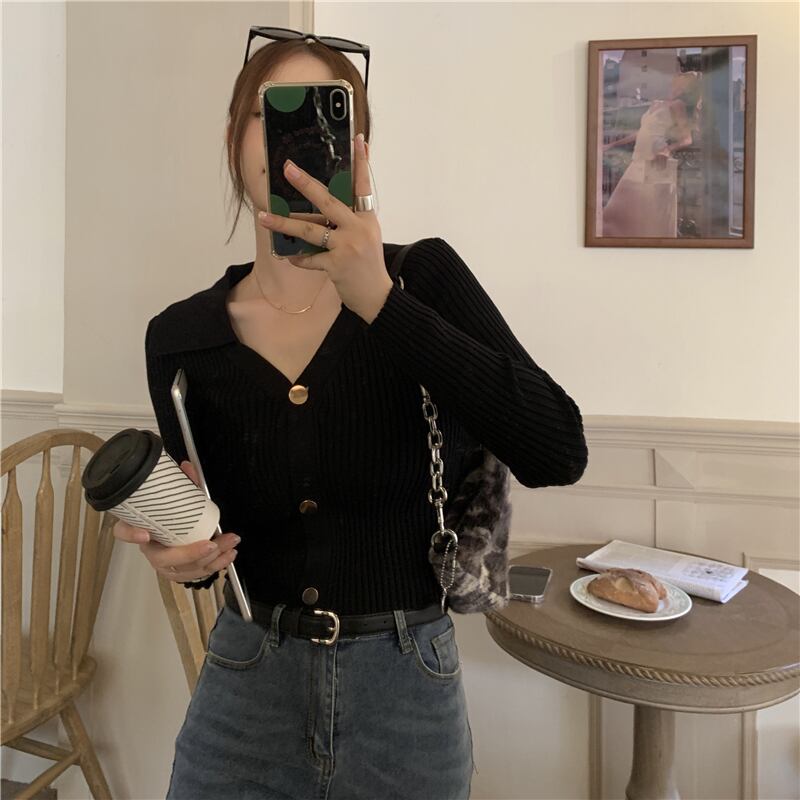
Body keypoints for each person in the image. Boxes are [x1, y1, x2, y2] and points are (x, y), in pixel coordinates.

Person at [113, 31, 588, 800]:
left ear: (358, 148)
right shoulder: (181, 338)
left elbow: (558, 449)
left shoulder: (424, 279)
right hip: (246, 682)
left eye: (322, 116)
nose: (293, 141)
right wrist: (181, 553)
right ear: (233, 137)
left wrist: (383, 305)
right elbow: (212, 533)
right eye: (271, 114)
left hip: (406, 689)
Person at [601, 71, 701, 237]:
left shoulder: (678, 105)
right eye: (679, 79)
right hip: (638, 159)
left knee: (653, 213)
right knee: (616, 212)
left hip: (657, 161)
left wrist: (667, 150)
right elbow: (641, 132)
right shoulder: (657, 103)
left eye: (685, 83)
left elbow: (687, 139)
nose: (678, 82)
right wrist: (612, 144)